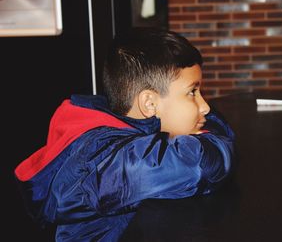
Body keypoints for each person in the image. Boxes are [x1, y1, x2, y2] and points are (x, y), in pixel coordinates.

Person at [14, 27, 235, 241]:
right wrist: (212, 141)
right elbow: (196, 165)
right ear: (149, 103)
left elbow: (213, 121)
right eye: (192, 92)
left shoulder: (132, 127)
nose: (204, 106)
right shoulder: (103, 162)